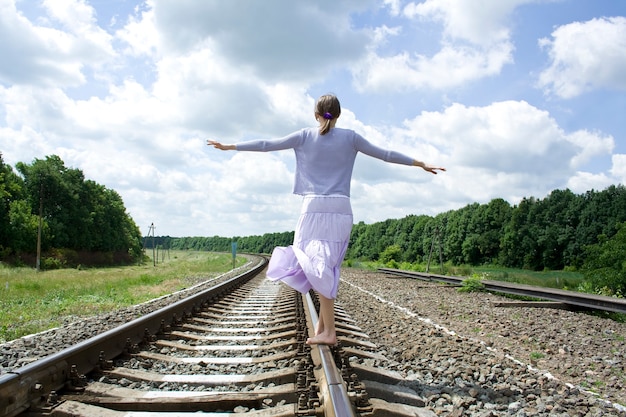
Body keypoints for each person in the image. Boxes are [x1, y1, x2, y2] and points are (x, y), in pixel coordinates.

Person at [207, 94, 445, 345]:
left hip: (313, 206)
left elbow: (267, 144)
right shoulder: (351, 137)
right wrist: (420, 163)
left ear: (315, 114)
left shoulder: (304, 135)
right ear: (339, 115)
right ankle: (323, 328)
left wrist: (229, 146)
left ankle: (329, 332)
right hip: (341, 207)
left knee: (314, 263)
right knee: (328, 265)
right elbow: (385, 154)